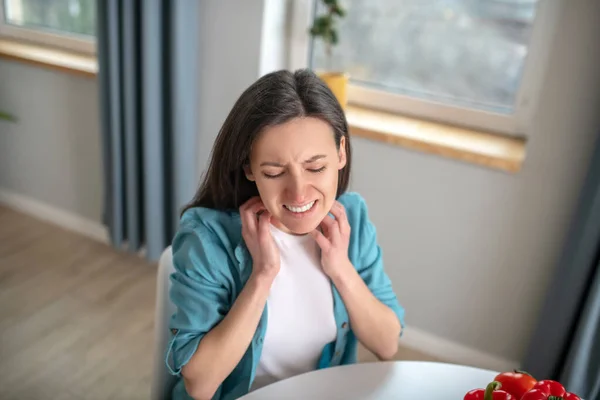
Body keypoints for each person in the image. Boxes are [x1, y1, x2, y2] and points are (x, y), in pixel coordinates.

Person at [166, 69, 405, 400]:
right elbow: (201, 385)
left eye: (315, 168)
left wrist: (340, 268)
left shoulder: (353, 218)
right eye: (274, 172)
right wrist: (262, 275)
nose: (298, 194)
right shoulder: (207, 237)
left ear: (341, 153)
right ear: (249, 168)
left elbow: (387, 343)